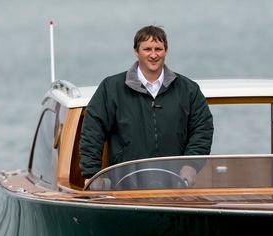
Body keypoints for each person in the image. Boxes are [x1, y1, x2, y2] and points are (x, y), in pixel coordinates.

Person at [79, 25, 213, 188]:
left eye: (158, 49)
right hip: (124, 186)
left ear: (166, 51)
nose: (154, 55)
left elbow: (202, 128)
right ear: (136, 52)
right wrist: (92, 174)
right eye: (147, 49)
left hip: (176, 186)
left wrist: (190, 165)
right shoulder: (111, 88)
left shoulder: (188, 89)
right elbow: (93, 130)